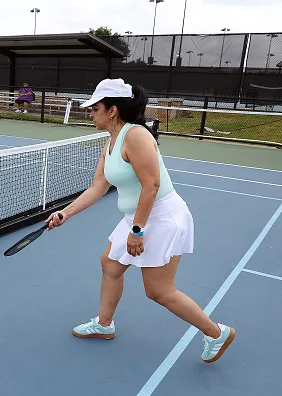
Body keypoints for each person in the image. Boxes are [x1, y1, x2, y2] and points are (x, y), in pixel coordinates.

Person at [46, 78, 235, 364]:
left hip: (159, 216)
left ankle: (215, 332)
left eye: (94, 107)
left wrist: (137, 230)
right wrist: (65, 213)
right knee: (110, 264)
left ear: (112, 110)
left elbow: (152, 185)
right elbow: (98, 186)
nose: (90, 112)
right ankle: (104, 324)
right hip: (138, 216)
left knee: (158, 290)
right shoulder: (111, 141)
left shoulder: (136, 135)